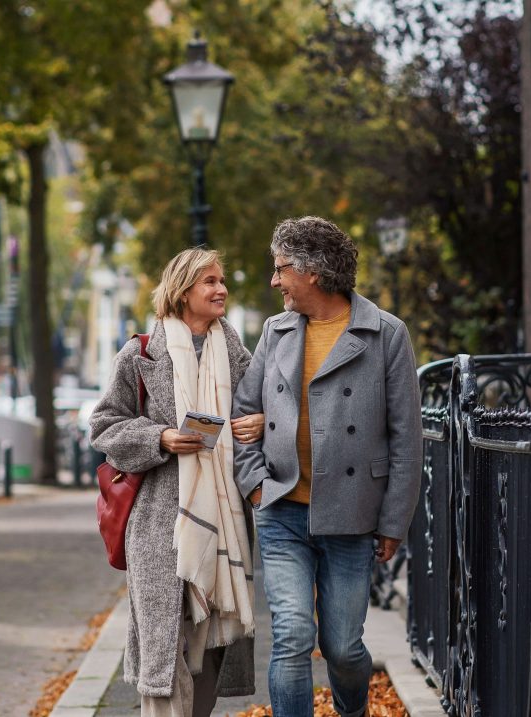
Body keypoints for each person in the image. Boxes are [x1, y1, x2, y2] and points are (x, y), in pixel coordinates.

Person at [233, 216, 422, 717]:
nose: (274, 281)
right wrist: (255, 485)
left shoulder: (385, 334)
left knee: (342, 647)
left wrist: (393, 522)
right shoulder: (276, 331)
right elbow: (242, 412)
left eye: (281, 269)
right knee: (292, 635)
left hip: (352, 516)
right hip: (282, 510)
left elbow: (407, 439)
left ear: (312, 272)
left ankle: (352, 710)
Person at [90, 248, 264, 717]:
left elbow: (263, 414)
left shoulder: (238, 356)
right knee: (165, 647)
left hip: (223, 523)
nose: (221, 289)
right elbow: (104, 425)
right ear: (183, 291)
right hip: (157, 525)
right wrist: (160, 438)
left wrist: (259, 422)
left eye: (222, 280)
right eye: (210, 281)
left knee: (209, 644)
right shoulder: (142, 353)